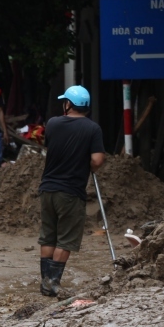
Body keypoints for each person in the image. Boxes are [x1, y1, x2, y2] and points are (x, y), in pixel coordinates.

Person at [37, 85, 105, 297]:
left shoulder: (53, 123)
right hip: (70, 192)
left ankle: (45, 283)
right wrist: (88, 163)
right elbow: (97, 160)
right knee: (65, 239)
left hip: (47, 189)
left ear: (69, 104)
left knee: (48, 237)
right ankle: (53, 283)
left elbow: (52, 147)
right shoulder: (93, 129)